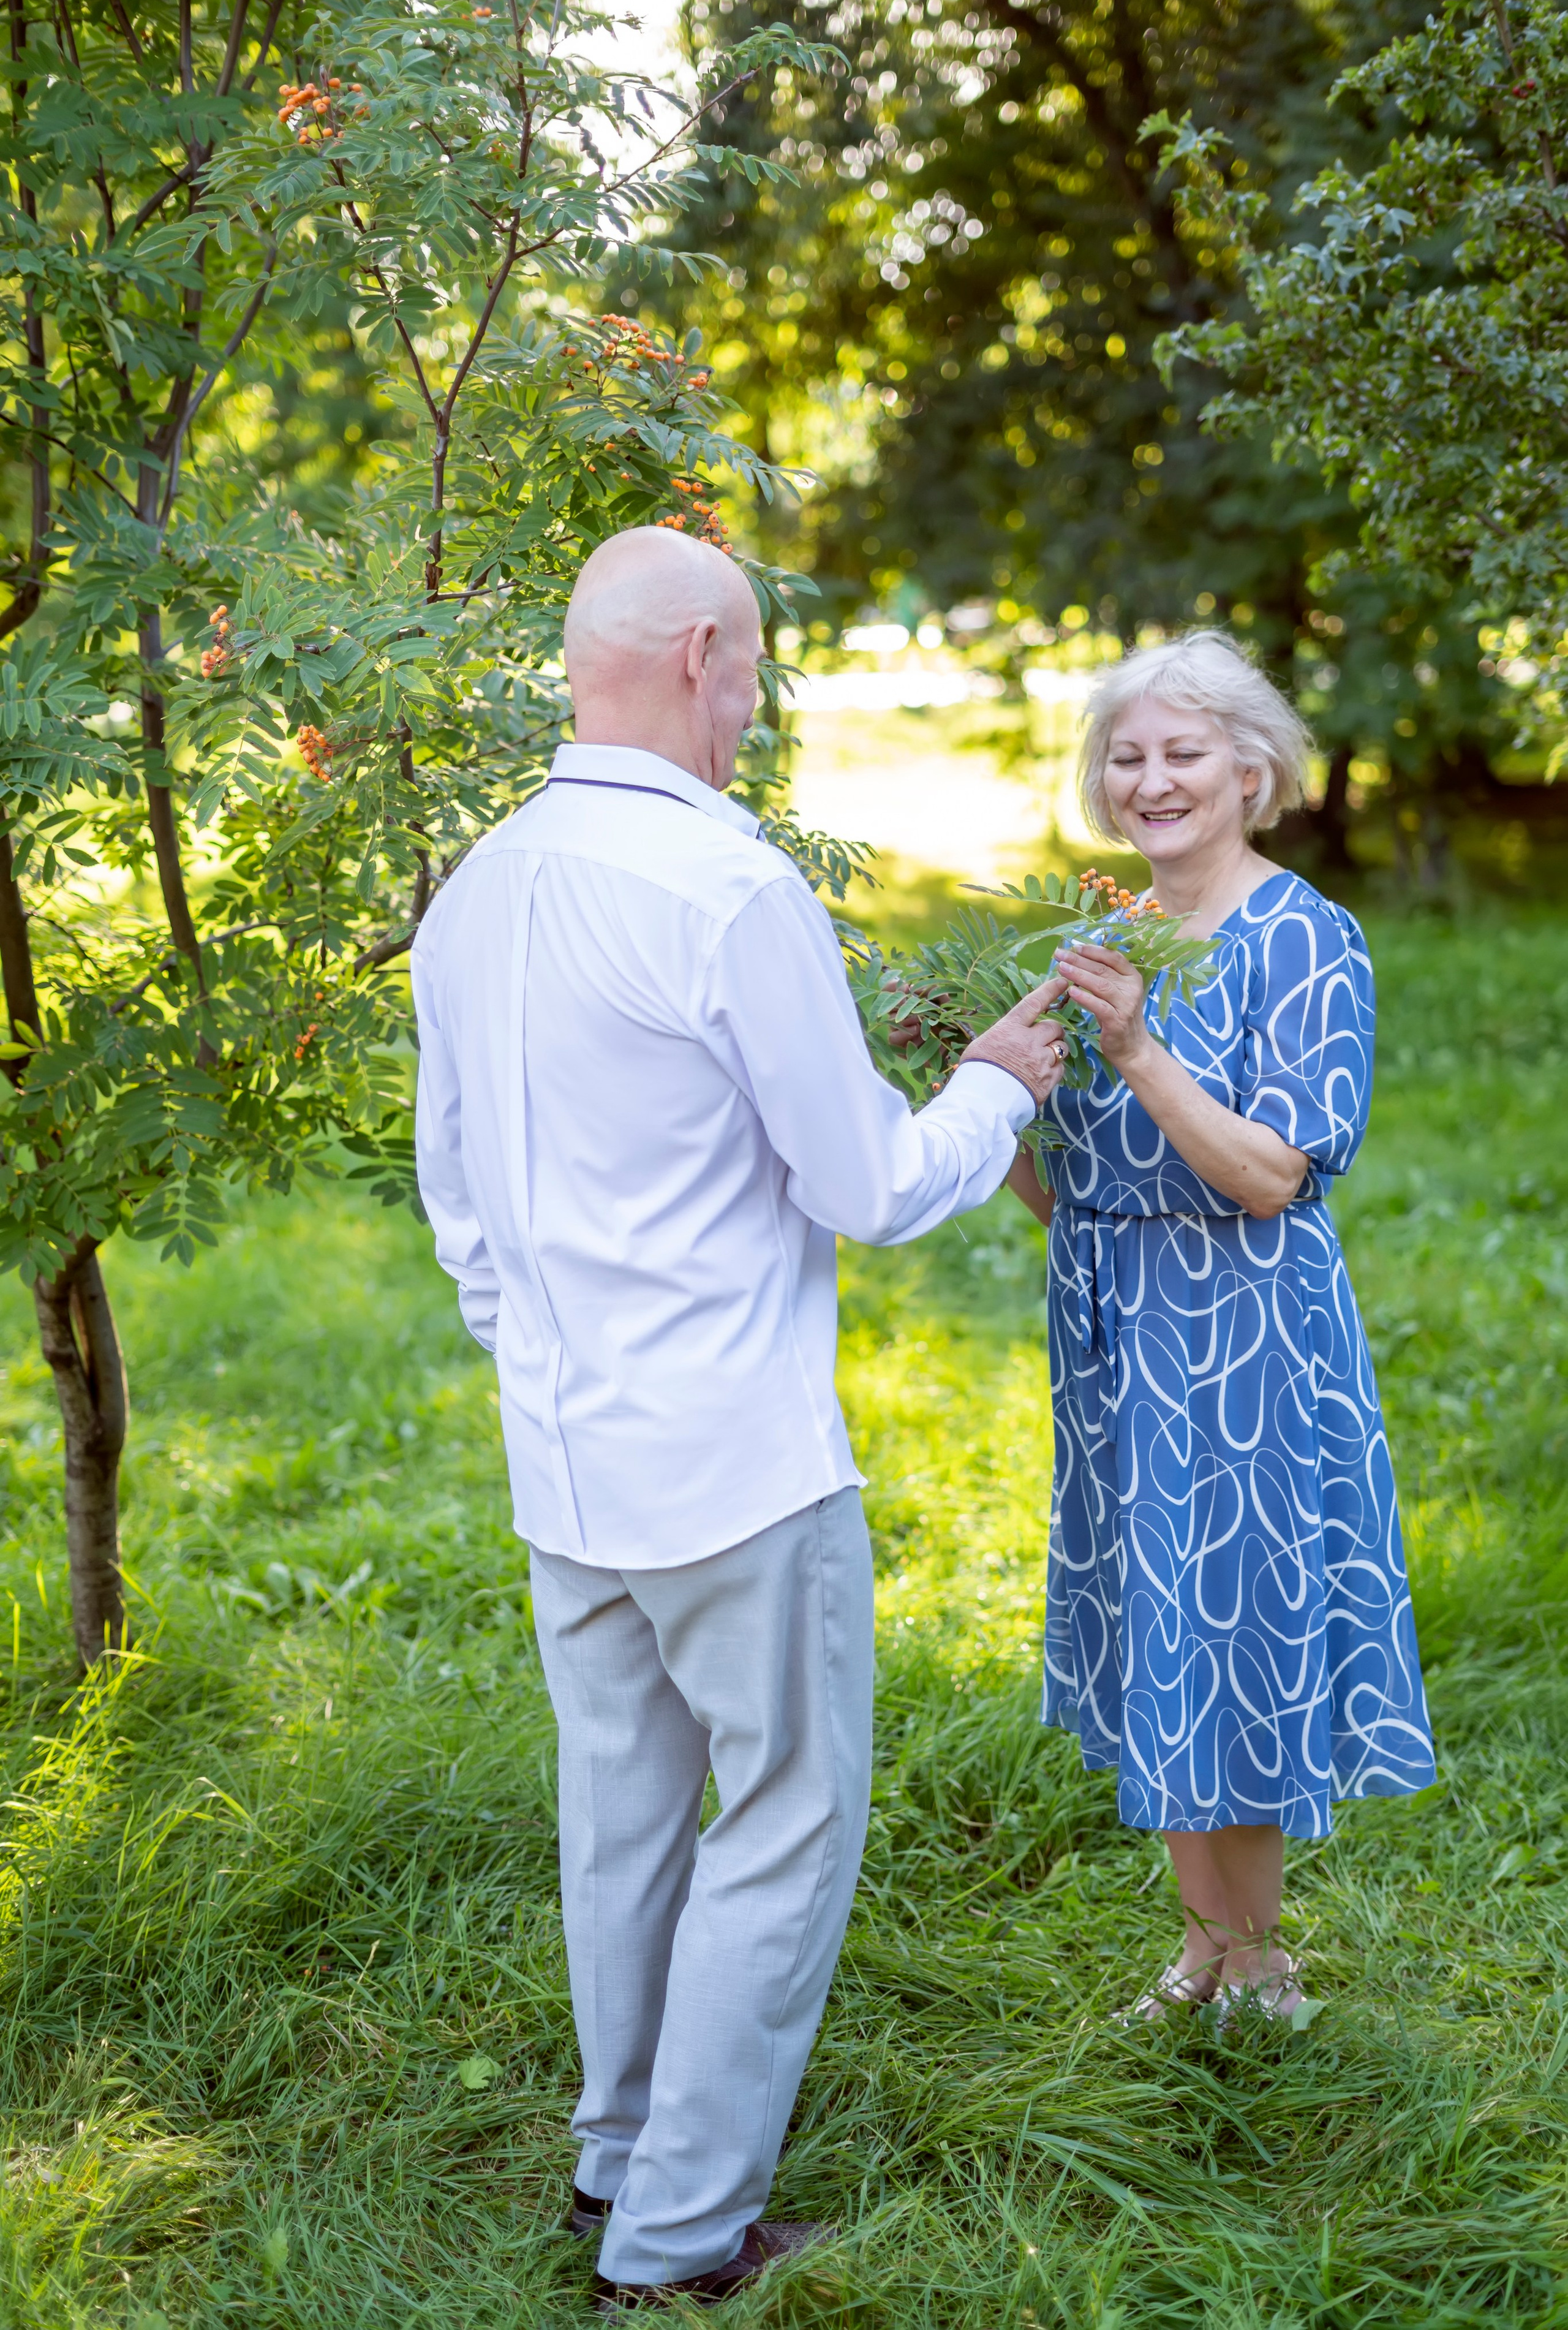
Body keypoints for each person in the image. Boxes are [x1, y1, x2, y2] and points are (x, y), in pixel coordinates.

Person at [410, 525, 1065, 2307]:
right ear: (699, 653)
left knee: (621, 1814)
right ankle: (683, 2234)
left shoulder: (476, 885)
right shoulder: (729, 889)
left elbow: (453, 1193)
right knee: (783, 1818)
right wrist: (994, 1090)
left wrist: (543, 1356)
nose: (757, 701)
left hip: (565, 1452)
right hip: (737, 1466)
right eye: (759, 666)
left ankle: (618, 2158)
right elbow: (863, 1180)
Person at [1005, 630, 1436, 2020]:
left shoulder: (1307, 938)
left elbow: (1269, 1175)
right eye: (1125, 757)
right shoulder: (1106, 944)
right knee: (1166, 1633)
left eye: (1181, 752)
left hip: (1243, 1336)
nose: (1151, 779)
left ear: (1250, 769)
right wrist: (983, 1076)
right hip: (1117, 1333)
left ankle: (1256, 1964)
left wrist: (1137, 1051)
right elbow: (1069, 1191)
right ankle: (1207, 1952)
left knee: (1235, 1629)